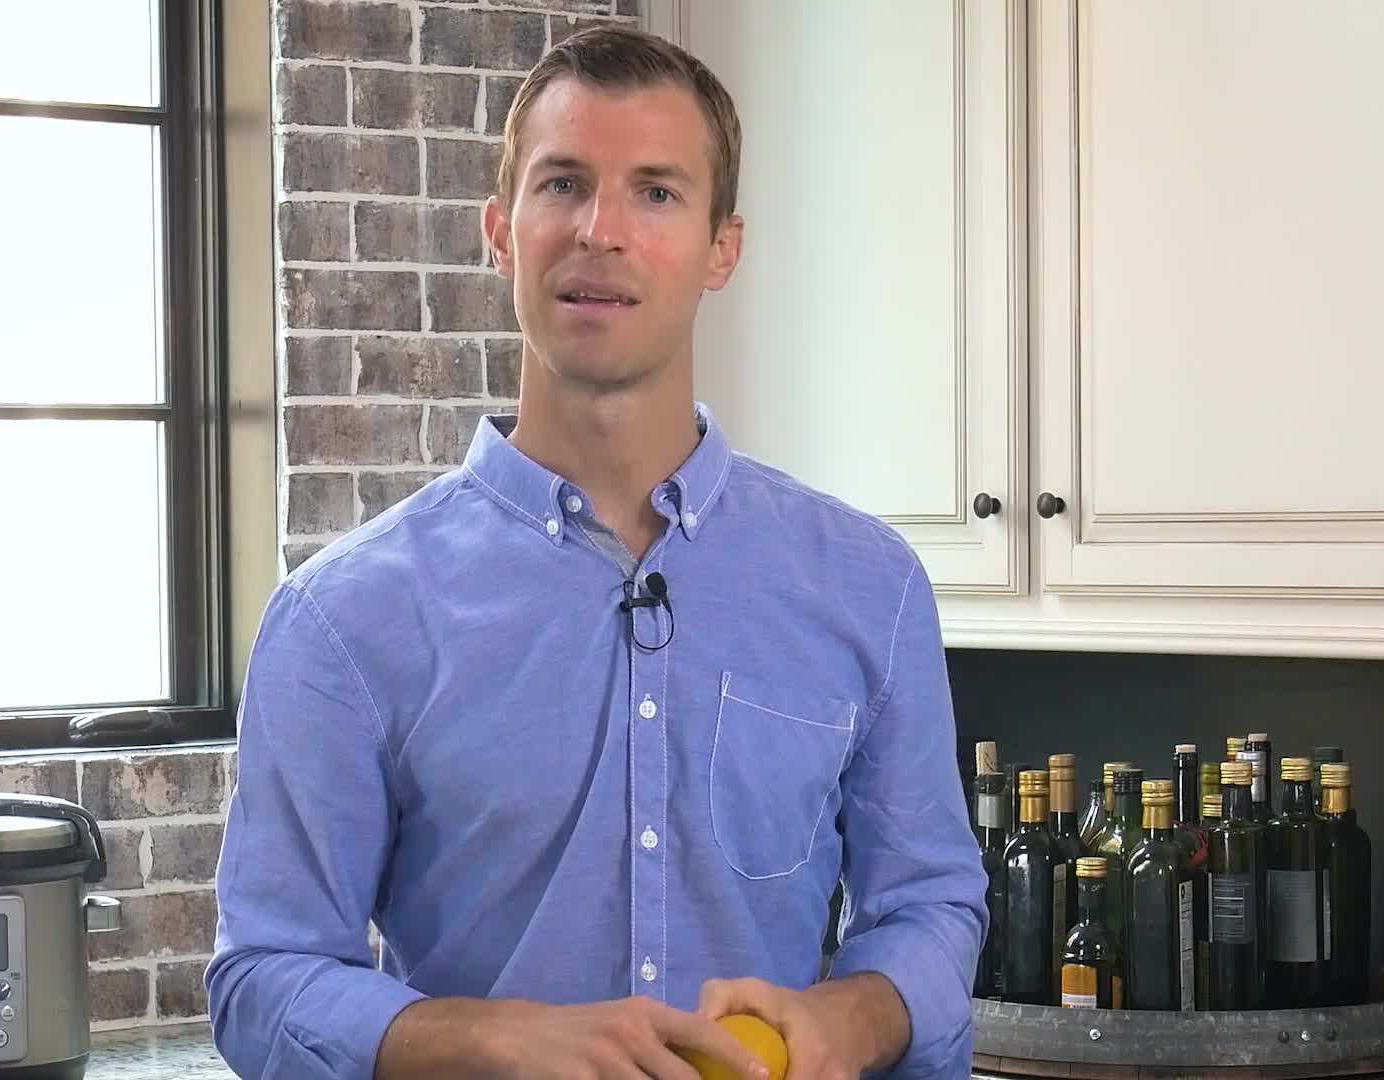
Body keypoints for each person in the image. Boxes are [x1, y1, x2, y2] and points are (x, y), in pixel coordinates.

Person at [207, 25, 985, 1080]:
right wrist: (485, 1038)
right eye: (562, 183)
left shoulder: (869, 586)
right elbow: (264, 977)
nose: (599, 230)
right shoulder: (340, 621)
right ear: (500, 230)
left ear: (724, 248)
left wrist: (856, 1016)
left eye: (657, 192)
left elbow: (932, 905)